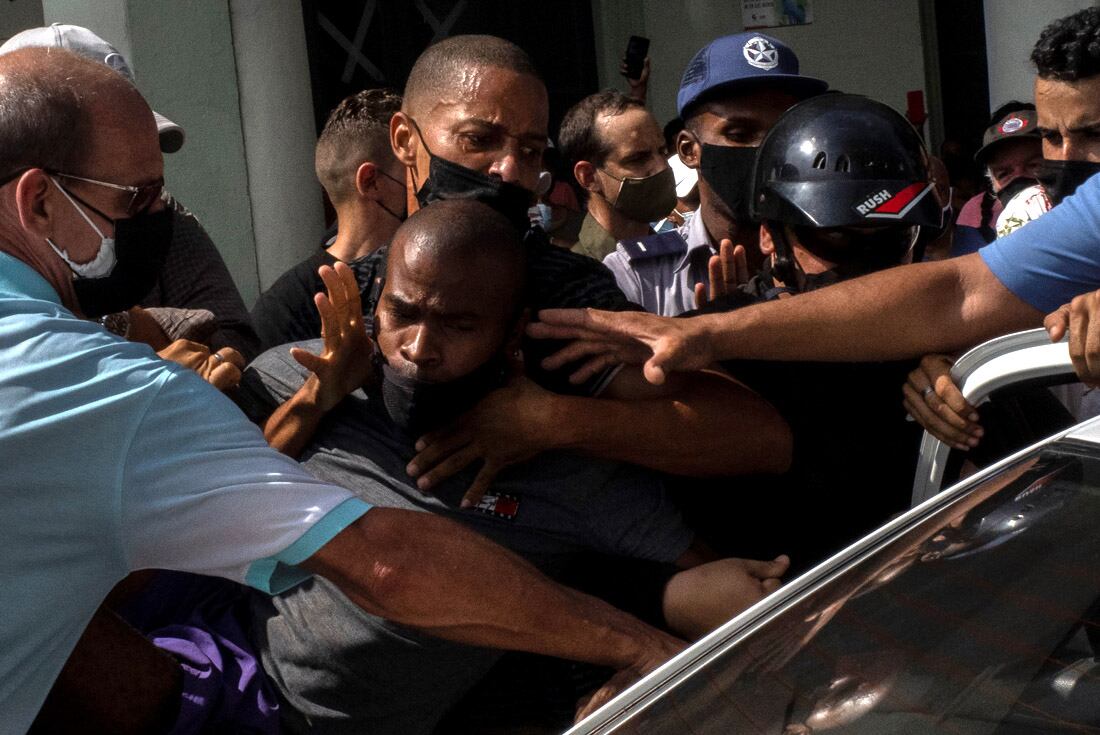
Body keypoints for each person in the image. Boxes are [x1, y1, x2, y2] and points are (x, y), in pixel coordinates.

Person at [0, 48, 683, 733]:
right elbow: (384, 562)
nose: (161, 221)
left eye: (461, 321)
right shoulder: (106, 386)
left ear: (511, 336)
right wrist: (641, 648)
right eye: (136, 199)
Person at [240, 199, 788, 733]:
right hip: (234, 686)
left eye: (459, 326)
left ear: (510, 333)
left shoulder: (571, 475)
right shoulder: (292, 381)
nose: (419, 348)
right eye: (403, 314)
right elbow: (223, 505)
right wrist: (314, 401)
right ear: (376, 301)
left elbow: (711, 584)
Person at [527, 8, 1100, 416]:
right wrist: (710, 350)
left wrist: (967, 367)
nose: (1071, 158)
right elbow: (957, 295)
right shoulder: (635, 279)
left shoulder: (982, 381)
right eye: (740, 131)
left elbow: (954, 301)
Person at [378, 34, 792, 506]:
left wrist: (552, 421)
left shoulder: (566, 297)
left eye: (532, 151)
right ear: (405, 141)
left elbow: (756, 436)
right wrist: (313, 403)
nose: (510, 170)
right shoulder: (337, 291)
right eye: (480, 140)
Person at [678, 93, 935, 570]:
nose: (863, 273)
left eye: (887, 241)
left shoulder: (945, 351)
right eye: (833, 237)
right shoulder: (716, 353)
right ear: (769, 236)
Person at [0, 23, 261, 361]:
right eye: (131, 194)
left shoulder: (160, 219)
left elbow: (230, 336)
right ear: (39, 202)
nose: (151, 204)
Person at [601, 31, 827, 316]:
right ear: (688, 150)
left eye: (781, 132)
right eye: (739, 134)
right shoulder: (635, 277)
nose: (765, 149)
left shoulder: (834, 253)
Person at [250, 89, 405, 352]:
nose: (427, 182)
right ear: (371, 181)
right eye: (413, 168)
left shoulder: (432, 268)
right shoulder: (288, 306)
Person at [558, 90, 676, 262]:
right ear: (588, 176)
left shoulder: (679, 258)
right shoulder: (580, 276)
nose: (661, 168)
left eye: (663, 152)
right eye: (638, 159)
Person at [952, 103, 1046, 255]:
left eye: (1033, 165)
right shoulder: (975, 222)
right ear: (992, 183)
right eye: (1004, 173)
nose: (1019, 177)